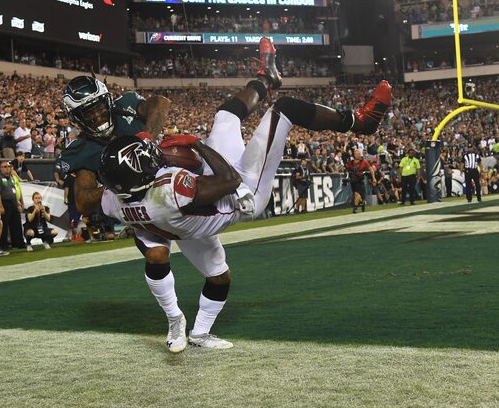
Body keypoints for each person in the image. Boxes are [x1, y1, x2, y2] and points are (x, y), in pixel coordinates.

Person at [91, 37, 392, 353]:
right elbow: (230, 179)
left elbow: (107, 198)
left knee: (226, 117)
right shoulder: (170, 192)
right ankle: (361, 122)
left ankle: (266, 78)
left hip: (188, 227)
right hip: (241, 194)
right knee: (285, 110)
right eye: (146, 162)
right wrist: (196, 144)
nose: (152, 159)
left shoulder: (115, 200)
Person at [54, 73, 172, 219]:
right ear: (76, 119)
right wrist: (115, 184)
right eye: (88, 113)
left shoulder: (125, 106)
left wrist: (146, 141)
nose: (97, 116)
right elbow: (82, 203)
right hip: (140, 209)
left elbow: (161, 103)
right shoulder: (82, 150)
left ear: (108, 101)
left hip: (167, 180)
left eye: (99, 107)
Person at [0, 161, 25, 250]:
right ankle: (4, 245)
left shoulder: (12, 178)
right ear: (1, 169)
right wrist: (0, 206)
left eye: (9, 166)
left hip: (14, 203)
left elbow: (15, 191)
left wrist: (19, 203)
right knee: (4, 225)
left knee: (16, 224)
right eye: (5, 167)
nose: (7, 168)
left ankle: (18, 243)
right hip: (4, 203)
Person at [346, 149, 376, 213]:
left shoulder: (364, 162)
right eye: (356, 154)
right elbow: (347, 171)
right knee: (356, 194)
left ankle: (355, 208)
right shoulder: (350, 163)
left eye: (359, 154)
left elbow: (371, 169)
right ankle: (363, 202)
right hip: (353, 181)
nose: (358, 155)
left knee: (357, 194)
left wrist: (373, 178)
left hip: (360, 180)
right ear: (354, 155)